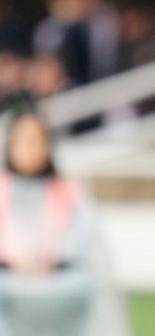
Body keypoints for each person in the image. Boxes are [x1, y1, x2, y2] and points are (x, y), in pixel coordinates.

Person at [0, 114, 95, 336]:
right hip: (7, 278)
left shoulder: (68, 191)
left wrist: (51, 263)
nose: (29, 148)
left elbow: (84, 240)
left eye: (36, 140)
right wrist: (15, 263)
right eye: (23, 140)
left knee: (81, 284)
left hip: (57, 281)